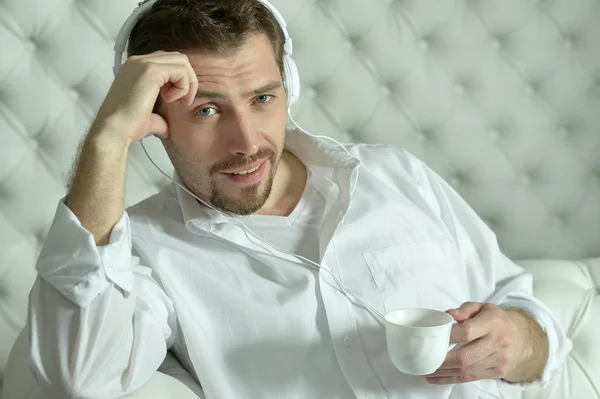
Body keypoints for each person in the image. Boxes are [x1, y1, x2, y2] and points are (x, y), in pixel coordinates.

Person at [26, 0, 567, 398]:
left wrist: (519, 340)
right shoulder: (144, 248)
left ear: (291, 90)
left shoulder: (397, 175)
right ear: (155, 121)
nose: (247, 142)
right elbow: (80, 375)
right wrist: (105, 141)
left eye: (262, 98)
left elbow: (518, 302)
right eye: (206, 110)